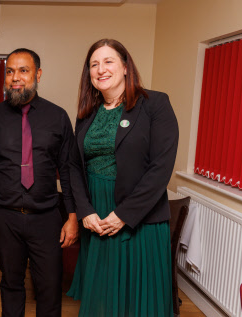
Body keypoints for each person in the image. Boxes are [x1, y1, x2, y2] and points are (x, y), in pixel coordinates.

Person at [66, 39, 178, 316]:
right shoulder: (86, 114)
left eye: (108, 61)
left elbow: (160, 169)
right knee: (102, 297)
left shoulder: (155, 104)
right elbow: (74, 167)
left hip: (139, 219)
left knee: (139, 300)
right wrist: (85, 212)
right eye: (94, 64)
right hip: (97, 219)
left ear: (126, 67)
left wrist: (124, 215)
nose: (100, 69)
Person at [0, 48, 78, 317]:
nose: (15, 77)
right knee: (11, 284)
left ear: (38, 75)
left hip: (46, 218)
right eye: (9, 71)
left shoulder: (58, 117)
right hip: (4, 216)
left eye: (23, 70)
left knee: (49, 287)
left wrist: (73, 216)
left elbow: (68, 170)